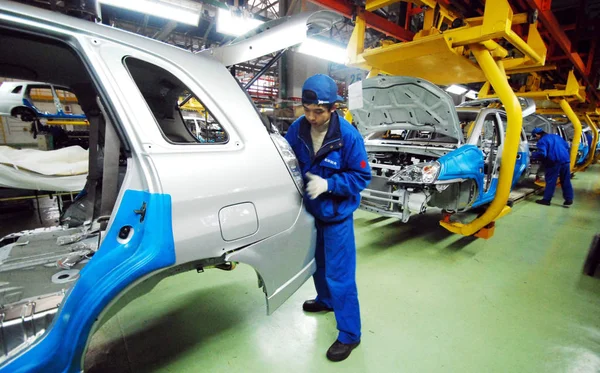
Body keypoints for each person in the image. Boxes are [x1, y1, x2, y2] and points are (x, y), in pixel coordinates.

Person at [284, 74, 371, 362]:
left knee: (340, 274)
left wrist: (330, 185)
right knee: (317, 265)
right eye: (307, 110)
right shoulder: (298, 129)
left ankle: (350, 334)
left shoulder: (347, 136)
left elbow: (361, 177)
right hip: (311, 213)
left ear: (333, 107)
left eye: (318, 111)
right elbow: (286, 158)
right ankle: (325, 300)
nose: (311, 117)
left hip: (336, 216)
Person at [531, 127, 574, 206]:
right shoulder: (557, 137)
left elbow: (542, 154)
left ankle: (546, 200)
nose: (535, 138)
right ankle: (569, 199)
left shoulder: (542, 141)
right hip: (565, 161)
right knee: (565, 180)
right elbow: (567, 146)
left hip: (554, 162)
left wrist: (532, 155)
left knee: (551, 181)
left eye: (535, 136)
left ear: (537, 134)